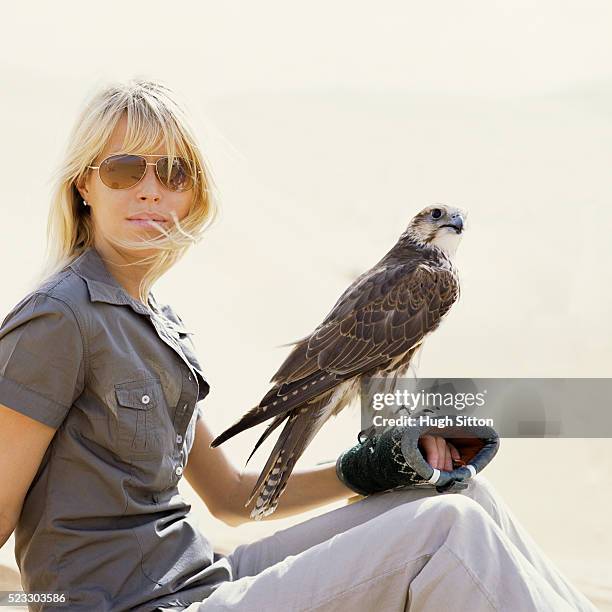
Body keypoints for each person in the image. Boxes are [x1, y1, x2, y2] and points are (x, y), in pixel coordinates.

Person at [0, 79, 597, 612]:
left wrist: (372, 469)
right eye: (125, 170)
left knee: (469, 498)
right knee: (446, 533)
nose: (151, 191)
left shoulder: (151, 321)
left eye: (174, 173)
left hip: (200, 579)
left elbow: (235, 498)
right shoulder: (59, 320)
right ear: (84, 184)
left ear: (193, 193)